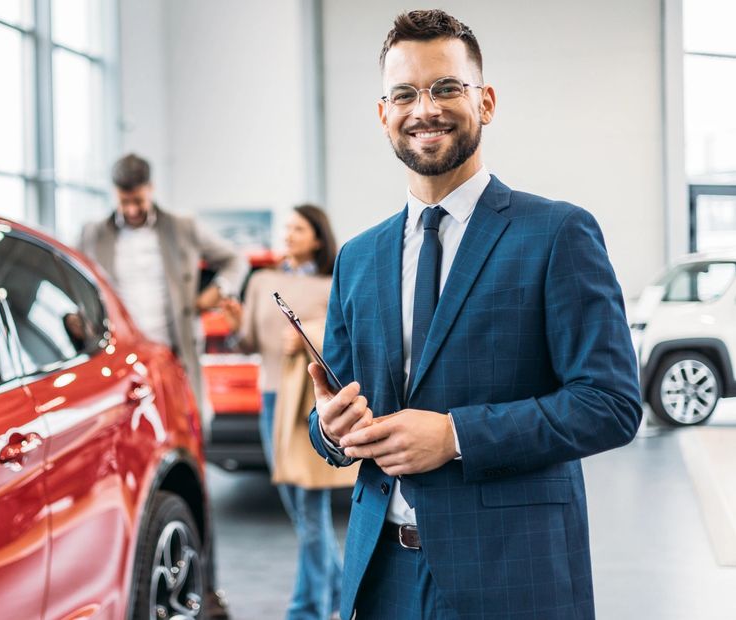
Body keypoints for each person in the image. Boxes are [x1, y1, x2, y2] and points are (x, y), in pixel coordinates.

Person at [306, 10, 641, 619]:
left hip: (515, 576)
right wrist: (330, 428)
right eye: (404, 93)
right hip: (383, 578)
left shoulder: (557, 234)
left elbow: (611, 404)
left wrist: (455, 436)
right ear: (384, 114)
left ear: (484, 101)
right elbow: (336, 410)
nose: (424, 108)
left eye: (446, 88)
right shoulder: (358, 258)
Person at [78, 152, 246, 620]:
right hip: (122, 376)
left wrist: (216, 293)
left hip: (178, 374)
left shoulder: (182, 227)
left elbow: (235, 260)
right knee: (133, 485)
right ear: (116, 193)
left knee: (193, 484)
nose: (132, 208)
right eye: (125, 200)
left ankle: (206, 589)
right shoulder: (93, 234)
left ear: (149, 189)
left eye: (138, 198)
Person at [222, 204, 357, 620]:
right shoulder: (262, 281)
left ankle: (307, 609)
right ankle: (338, 593)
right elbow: (246, 345)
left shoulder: (330, 284)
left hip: (307, 406)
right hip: (271, 400)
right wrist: (236, 324)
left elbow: (345, 340)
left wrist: (306, 336)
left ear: (317, 236)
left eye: (299, 228)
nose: (289, 235)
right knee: (298, 509)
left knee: (310, 510)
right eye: (288, 228)